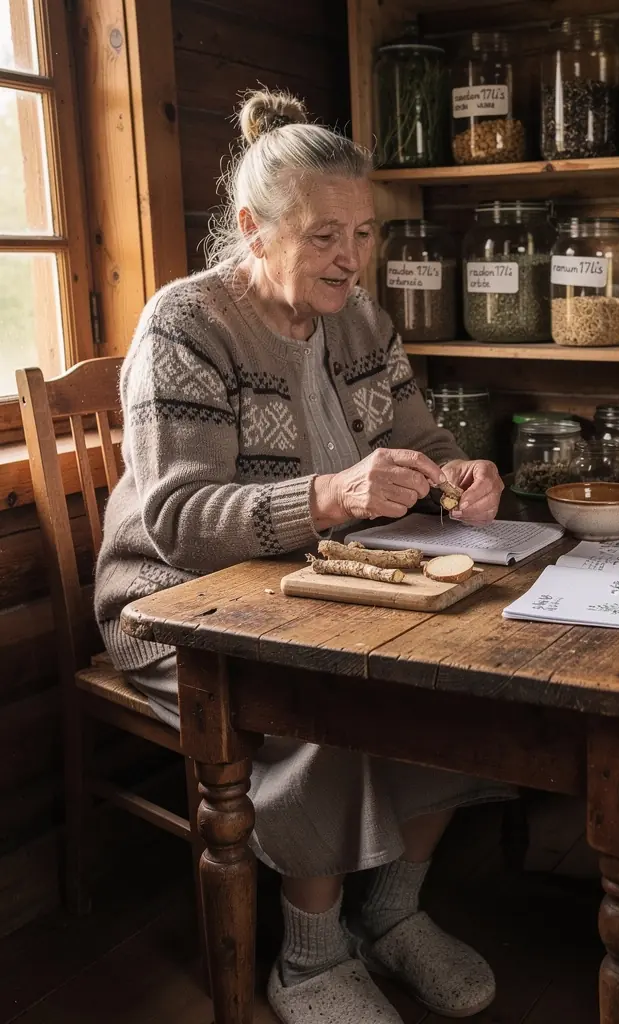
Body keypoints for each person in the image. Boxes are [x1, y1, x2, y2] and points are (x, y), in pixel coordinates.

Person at [94, 89, 513, 1024]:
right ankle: (312, 959)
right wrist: (330, 496)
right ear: (253, 227)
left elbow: (420, 436)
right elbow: (177, 518)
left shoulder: (361, 318)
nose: (351, 260)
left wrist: (462, 474)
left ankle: (395, 913)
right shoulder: (184, 326)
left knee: (461, 677)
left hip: (329, 583)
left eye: (363, 235)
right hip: (179, 604)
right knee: (328, 697)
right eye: (326, 236)